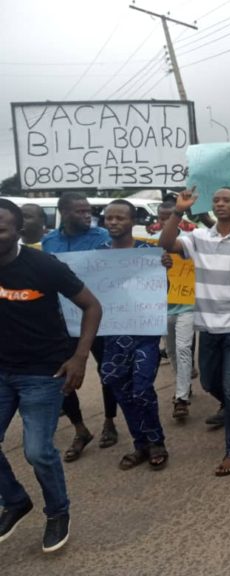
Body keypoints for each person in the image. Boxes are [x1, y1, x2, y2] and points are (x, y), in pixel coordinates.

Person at [0, 198, 102, 553]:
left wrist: (80, 357)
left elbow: (92, 305)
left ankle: (57, 512)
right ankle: (15, 500)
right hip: (2, 370)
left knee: (38, 452)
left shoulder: (44, 265)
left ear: (18, 232)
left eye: (1, 229)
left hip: (44, 371)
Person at [160, 187, 230, 477]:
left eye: (227, 200)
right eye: (216, 200)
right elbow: (166, 242)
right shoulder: (199, 238)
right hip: (207, 324)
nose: (221, 203)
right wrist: (178, 210)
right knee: (210, 382)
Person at [42, 192, 118, 461]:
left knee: (107, 371)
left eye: (89, 210)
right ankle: (80, 429)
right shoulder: (48, 242)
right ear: (63, 212)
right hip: (62, 321)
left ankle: (110, 420)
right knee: (62, 376)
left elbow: (120, 269)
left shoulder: (102, 238)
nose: (87, 215)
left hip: (97, 317)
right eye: (80, 211)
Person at [98, 200, 168, 471]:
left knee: (141, 389)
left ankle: (156, 440)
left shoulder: (148, 252)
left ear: (132, 222)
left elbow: (161, 290)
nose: (114, 222)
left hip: (143, 333)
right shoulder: (97, 256)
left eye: (120, 218)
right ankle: (140, 444)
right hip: (112, 334)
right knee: (121, 390)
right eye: (109, 218)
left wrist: (164, 270)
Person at [155, 201, 195, 419]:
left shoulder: (190, 240)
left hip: (187, 303)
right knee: (171, 351)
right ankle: (185, 383)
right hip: (163, 307)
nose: (166, 221)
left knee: (183, 348)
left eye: (171, 216)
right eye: (162, 217)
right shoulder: (149, 242)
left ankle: (181, 397)